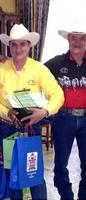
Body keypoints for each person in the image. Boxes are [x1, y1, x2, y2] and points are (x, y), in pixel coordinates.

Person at [0, 24, 64, 200]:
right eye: (14, 44)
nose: (18, 48)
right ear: (9, 46)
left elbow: (57, 94)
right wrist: (7, 112)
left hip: (31, 129)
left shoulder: (39, 69)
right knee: (11, 174)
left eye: (22, 44)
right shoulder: (0, 70)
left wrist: (44, 112)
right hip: (7, 129)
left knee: (34, 175)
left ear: (29, 46)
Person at [44, 26, 86, 199]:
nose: (77, 42)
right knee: (60, 164)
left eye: (81, 38)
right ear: (68, 39)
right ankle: (66, 196)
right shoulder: (56, 63)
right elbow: (32, 70)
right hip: (63, 118)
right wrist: (7, 60)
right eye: (73, 38)